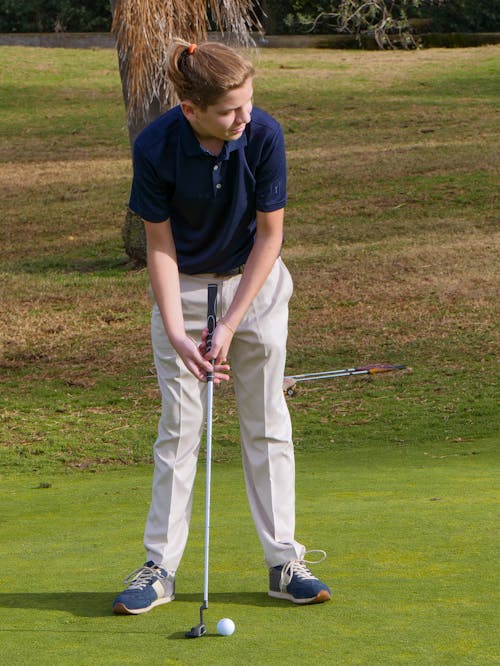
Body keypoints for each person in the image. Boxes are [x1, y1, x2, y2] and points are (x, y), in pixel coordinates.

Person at [112, 39, 331, 615]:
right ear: (191, 109)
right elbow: (159, 247)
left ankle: (285, 562)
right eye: (230, 109)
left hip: (252, 286)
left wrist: (230, 323)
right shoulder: (156, 145)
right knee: (179, 431)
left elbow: (270, 235)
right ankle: (159, 569)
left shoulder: (263, 135)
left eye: (249, 102)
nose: (245, 117)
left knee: (266, 422)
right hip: (181, 287)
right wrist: (178, 330)